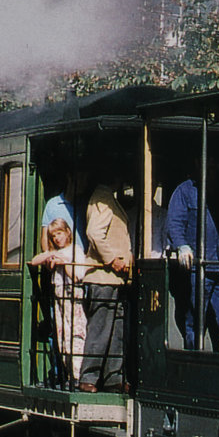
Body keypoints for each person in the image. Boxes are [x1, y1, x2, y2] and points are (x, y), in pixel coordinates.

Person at [165, 163, 219, 353]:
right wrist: (182, 246)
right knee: (195, 321)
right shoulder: (184, 191)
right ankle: (194, 364)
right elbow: (174, 222)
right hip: (197, 270)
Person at [78, 179, 133, 392]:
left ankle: (113, 377)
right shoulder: (103, 196)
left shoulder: (108, 197)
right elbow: (94, 233)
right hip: (103, 276)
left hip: (114, 279)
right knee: (100, 329)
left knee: (116, 329)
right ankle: (88, 377)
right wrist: (113, 259)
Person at [30, 218, 90, 383]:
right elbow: (34, 261)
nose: (57, 238)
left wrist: (64, 262)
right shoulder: (55, 252)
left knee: (76, 334)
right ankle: (70, 373)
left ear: (67, 233)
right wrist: (51, 253)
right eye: (53, 235)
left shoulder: (75, 250)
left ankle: (78, 375)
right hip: (60, 300)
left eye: (59, 234)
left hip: (73, 299)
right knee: (62, 336)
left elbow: (78, 276)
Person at [40, 167, 90, 253]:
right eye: (81, 179)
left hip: (82, 260)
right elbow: (45, 237)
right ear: (70, 179)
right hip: (60, 260)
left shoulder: (85, 205)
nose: (84, 184)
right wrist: (49, 256)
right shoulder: (52, 204)